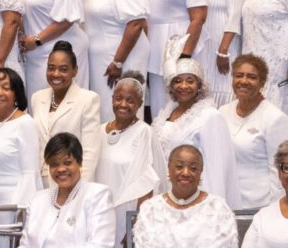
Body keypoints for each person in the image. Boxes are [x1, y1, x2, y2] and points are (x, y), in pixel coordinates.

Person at [81, 0, 150, 120]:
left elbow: (136, 24)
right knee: (103, 109)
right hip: (101, 60)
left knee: (120, 107)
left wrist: (118, 62)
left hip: (120, 60)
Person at [152, 58, 235, 197]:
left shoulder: (210, 116)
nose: (183, 86)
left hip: (193, 195)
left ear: (199, 85)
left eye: (190, 81)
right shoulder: (164, 114)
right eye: (177, 81)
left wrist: (209, 207)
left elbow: (216, 171)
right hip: (164, 192)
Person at [223, 55, 288, 211]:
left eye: (252, 77)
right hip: (226, 202)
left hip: (260, 207)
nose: (244, 81)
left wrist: (275, 211)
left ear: (262, 82)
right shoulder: (222, 112)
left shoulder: (275, 119)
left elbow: (281, 170)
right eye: (239, 75)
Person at [28, 43, 102, 186]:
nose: (56, 74)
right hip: (40, 181)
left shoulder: (88, 99)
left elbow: (90, 152)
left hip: (69, 180)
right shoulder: (37, 98)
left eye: (63, 69)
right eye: (51, 68)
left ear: (74, 71)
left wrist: (79, 189)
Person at [0, 68, 43, 207]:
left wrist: (19, 212)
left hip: (11, 207)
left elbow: (30, 174)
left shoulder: (25, 123)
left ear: (16, 94)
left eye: (6, 88)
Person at [94, 76, 159, 223]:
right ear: (112, 99)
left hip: (127, 213)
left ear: (140, 104)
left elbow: (147, 181)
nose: (123, 104)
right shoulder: (99, 130)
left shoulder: (144, 132)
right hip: (99, 211)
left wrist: (136, 221)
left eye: (130, 100)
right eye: (119, 98)